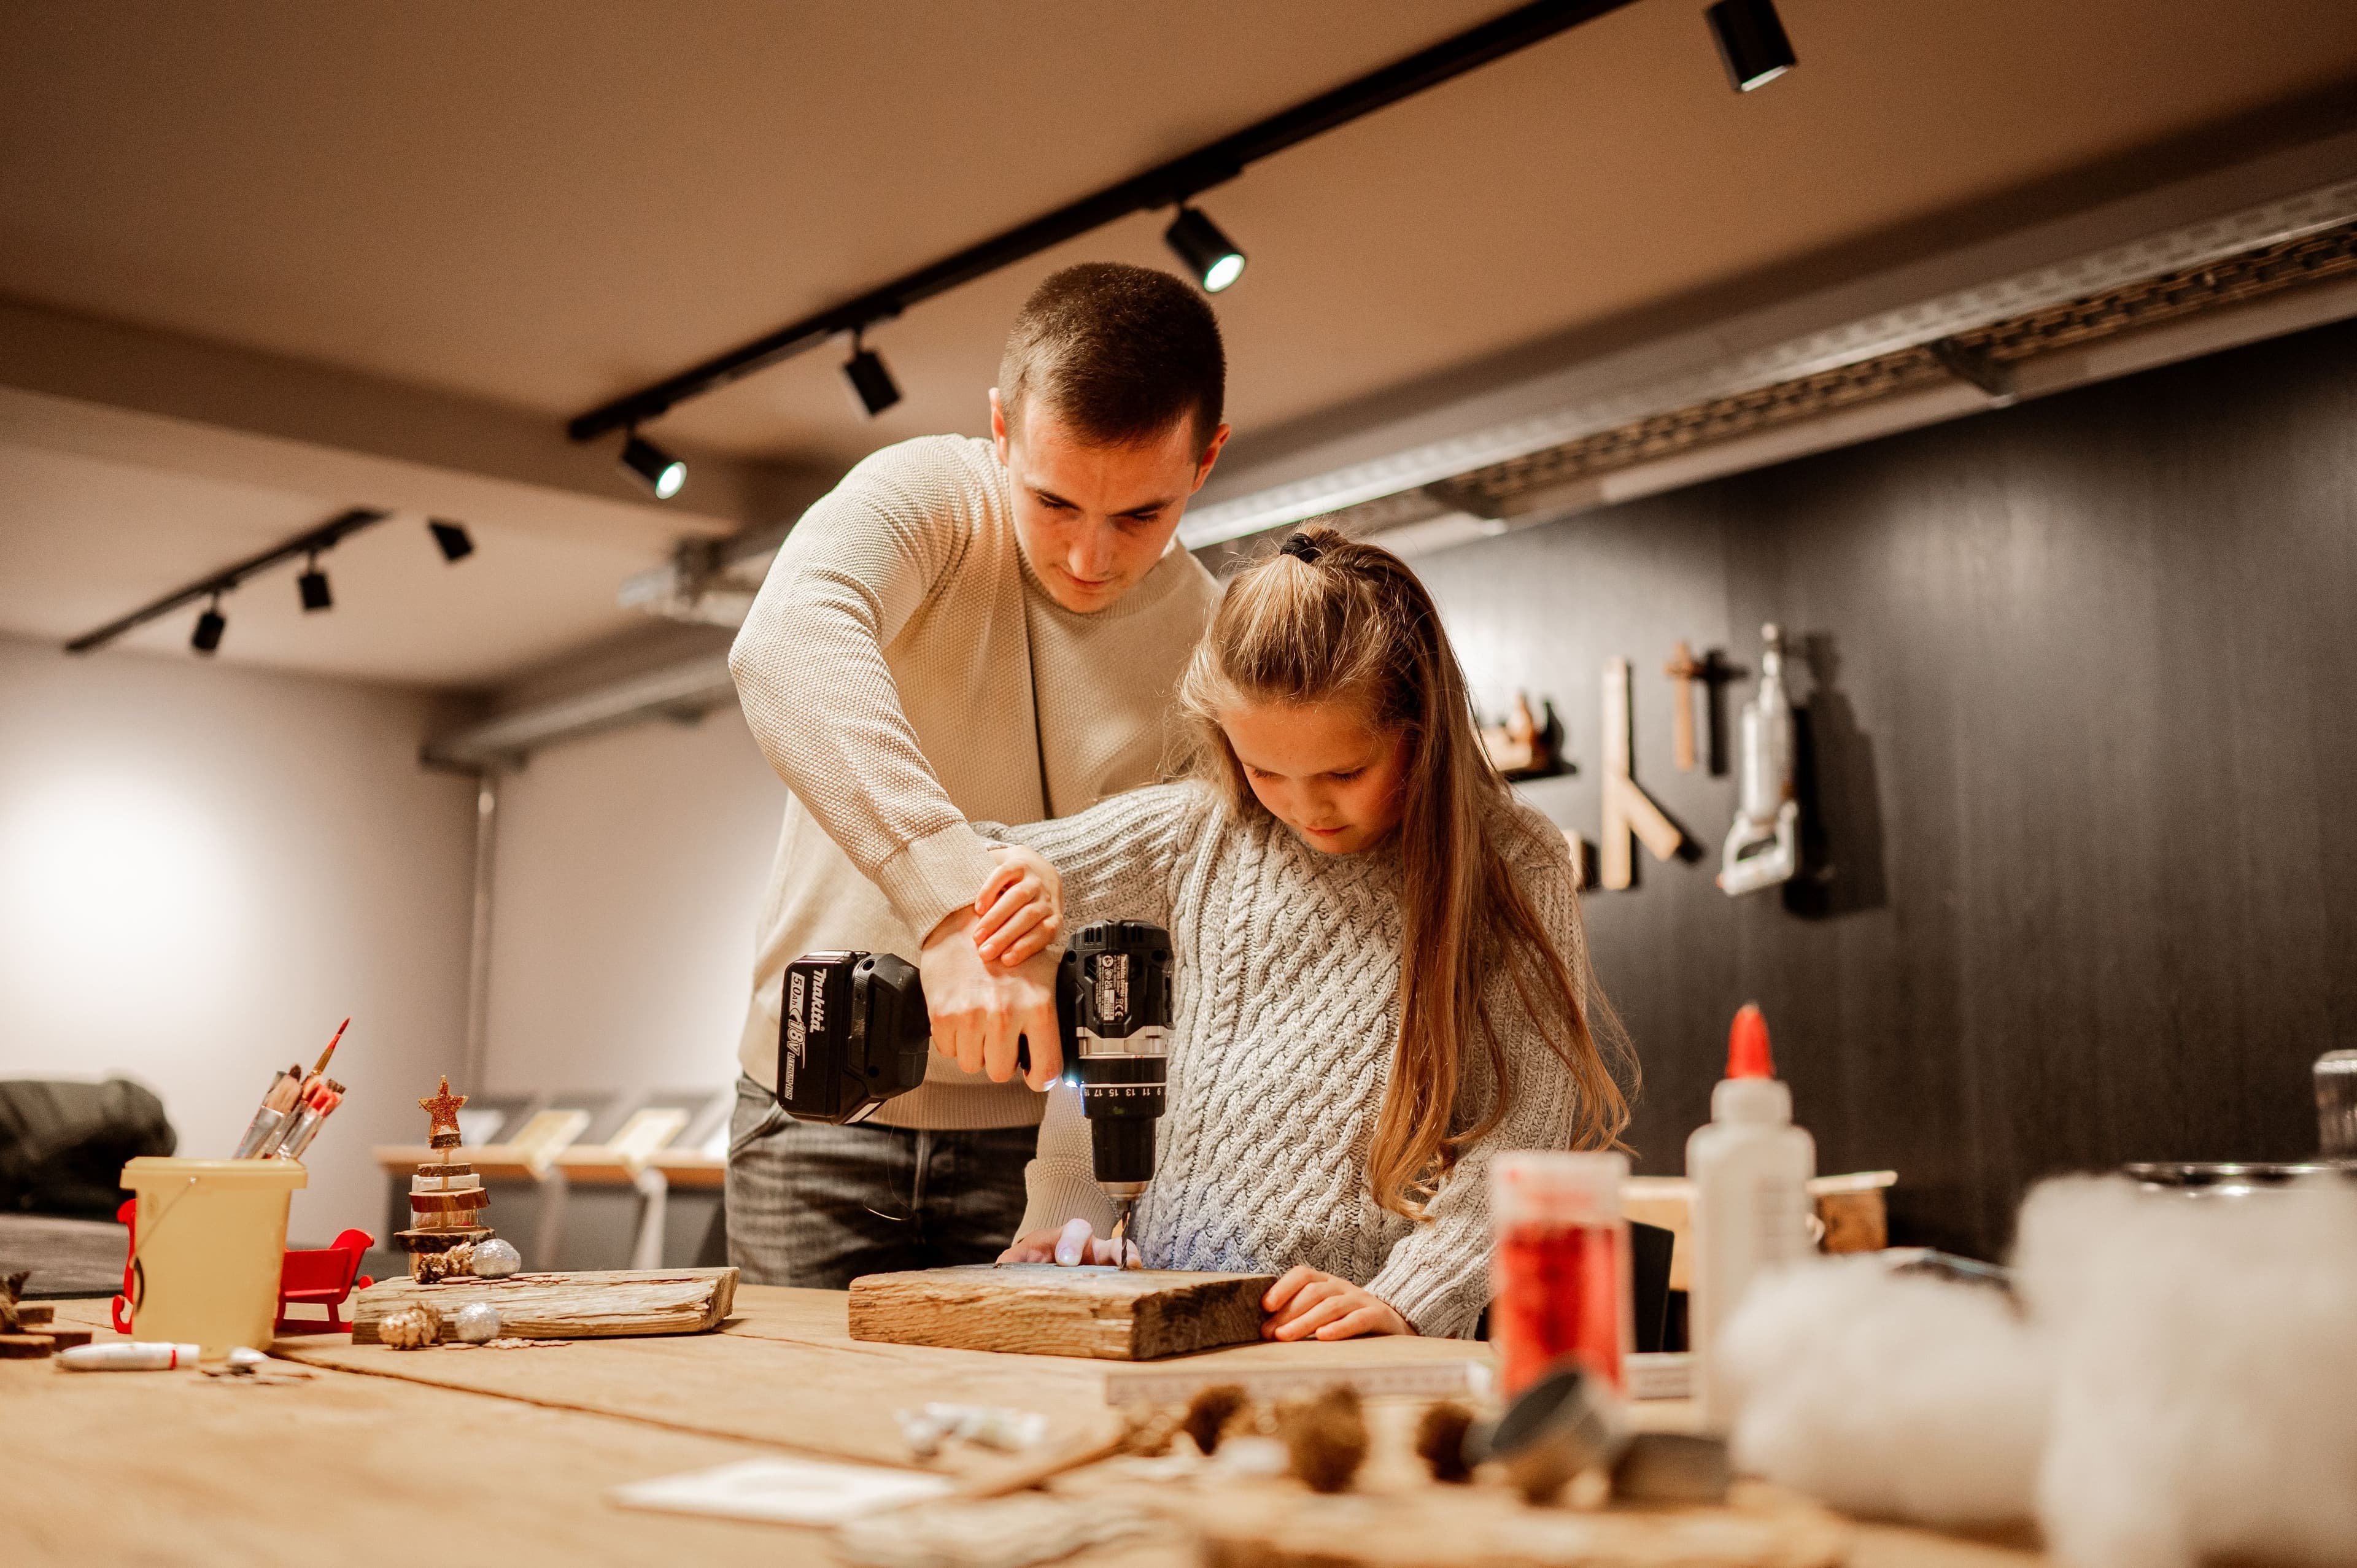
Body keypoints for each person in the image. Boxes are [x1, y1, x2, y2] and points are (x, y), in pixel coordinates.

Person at [988, 524, 1633, 1341]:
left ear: (1419, 729)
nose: (1304, 807)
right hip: (1170, 1330)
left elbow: (1523, 1135)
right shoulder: (1197, 829)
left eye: (1343, 773)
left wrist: (1410, 1299)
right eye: (1265, 771)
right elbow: (969, 868)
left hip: (1354, 1346)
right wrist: (1027, 902)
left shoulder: (1515, 861)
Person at [724, 263, 1229, 1287]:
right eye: (1052, 500)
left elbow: (1161, 934)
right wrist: (952, 908)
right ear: (1002, 427)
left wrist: (1078, 1187)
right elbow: (782, 643)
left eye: (1140, 515)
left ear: (1207, 461)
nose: (1090, 555)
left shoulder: (1212, 639)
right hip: (818, 1119)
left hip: (1038, 1152)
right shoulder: (928, 496)